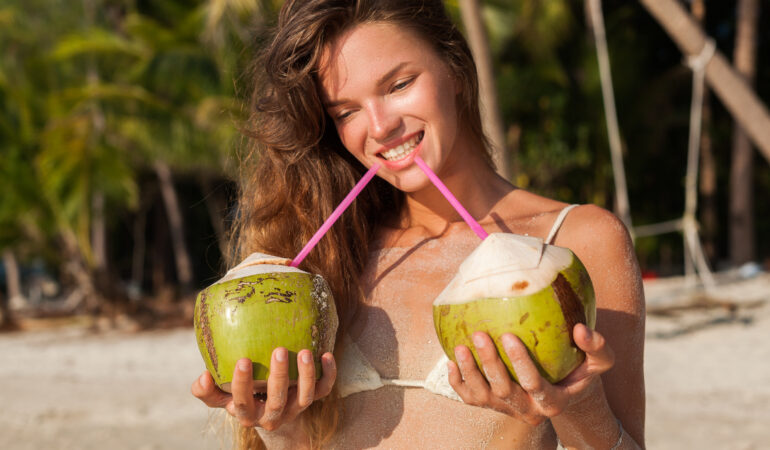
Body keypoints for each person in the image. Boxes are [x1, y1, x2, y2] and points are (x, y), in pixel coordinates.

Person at [191, 0, 646, 448]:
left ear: (455, 69)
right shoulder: (327, 253)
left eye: (399, 84)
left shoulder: (574, 240)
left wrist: (578, 406)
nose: (380, 126)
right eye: (346, 112)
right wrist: (279, 427)